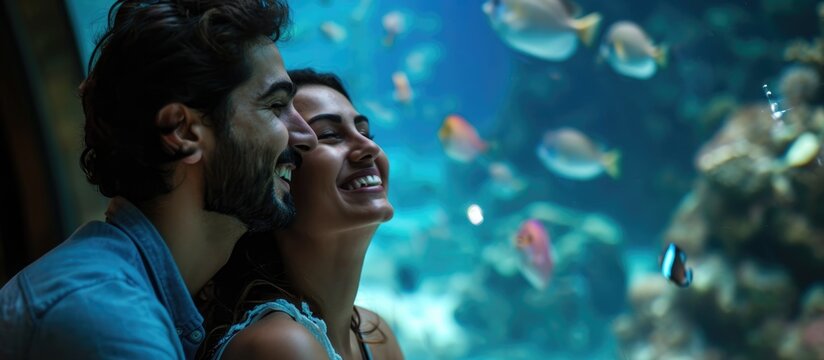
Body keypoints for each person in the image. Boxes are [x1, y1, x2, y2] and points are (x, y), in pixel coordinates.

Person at [0, 1, 317, 359]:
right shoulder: (108, 319)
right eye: (275, 106)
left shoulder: (131, 295)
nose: (307, 136)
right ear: (183, 132)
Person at [199, 69, 404, 360]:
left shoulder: (375, 334)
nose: (369, 147)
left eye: (365, 132)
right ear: (279, 176)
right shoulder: (281, 345)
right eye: (329, 135)